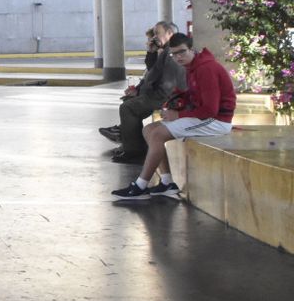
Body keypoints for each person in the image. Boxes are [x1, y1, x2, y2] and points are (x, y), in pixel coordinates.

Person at [112, 33, 237, 201]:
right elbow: (195, 95)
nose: (178, 57)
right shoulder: (193, 67)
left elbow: (210, 109)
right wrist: (178, 100)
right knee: (149, 130)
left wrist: (178, 114)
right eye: (174, 54)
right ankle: (167, 182)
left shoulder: (206, 68)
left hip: (217, 121)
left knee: (157, 134)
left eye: (182, 52)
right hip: (206, 117)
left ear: (192, 49)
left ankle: (140, 186)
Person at [100, 21, 185, 163]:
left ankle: (134, 151)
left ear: (170, 33)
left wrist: (142, 93)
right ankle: (129, 142)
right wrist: (151, 53)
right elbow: (153, 71)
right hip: (162, 93)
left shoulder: (173, 52)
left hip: (167, 96)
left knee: (127, 108)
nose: (154, 37)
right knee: (129, 102)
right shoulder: (166, 50)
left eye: (157, 33)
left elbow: (165, 83)